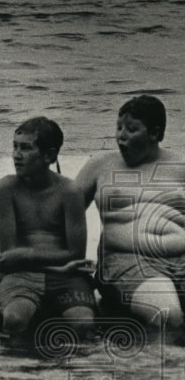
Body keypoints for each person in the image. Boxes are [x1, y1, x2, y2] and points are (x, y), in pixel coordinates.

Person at [74, 95, 185, 335]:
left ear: (154, 134)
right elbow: (63, 216)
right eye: (118, 127)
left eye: (131, 129)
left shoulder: (180, 166)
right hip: (125, 261)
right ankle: (156, 370)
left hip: (180, 259)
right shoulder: (101, 165)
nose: (121, 136)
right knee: (167, 315)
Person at [0, 117, 95, 342]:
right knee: (14, 320)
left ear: (48, 155)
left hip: (66, 277)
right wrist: (57, 264)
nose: (16, 155)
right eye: (15, 146)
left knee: (83, 323)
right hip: (25, 275)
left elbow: (76, 253)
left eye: (26, 148)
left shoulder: (70, 191)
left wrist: (26, 254)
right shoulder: (7, 188)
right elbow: (9, 256)